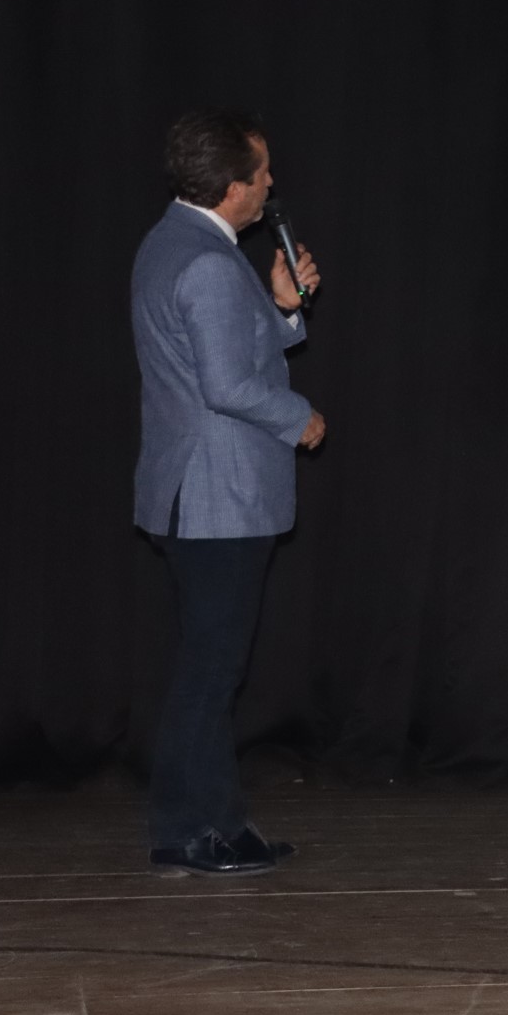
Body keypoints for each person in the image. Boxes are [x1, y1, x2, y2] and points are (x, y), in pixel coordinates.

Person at [131, 108, 325, 876]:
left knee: (208, 671)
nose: (271, 183)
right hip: (219, 497)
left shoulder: (173, 242)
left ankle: (214, 825)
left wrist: (281, 308)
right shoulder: (209, 262)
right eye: (263, 173)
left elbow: (221, 352)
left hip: (195, 493)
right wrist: (300, 417)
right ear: (233, 187)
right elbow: (226, 385)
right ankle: (190, 830)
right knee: (210, 675)